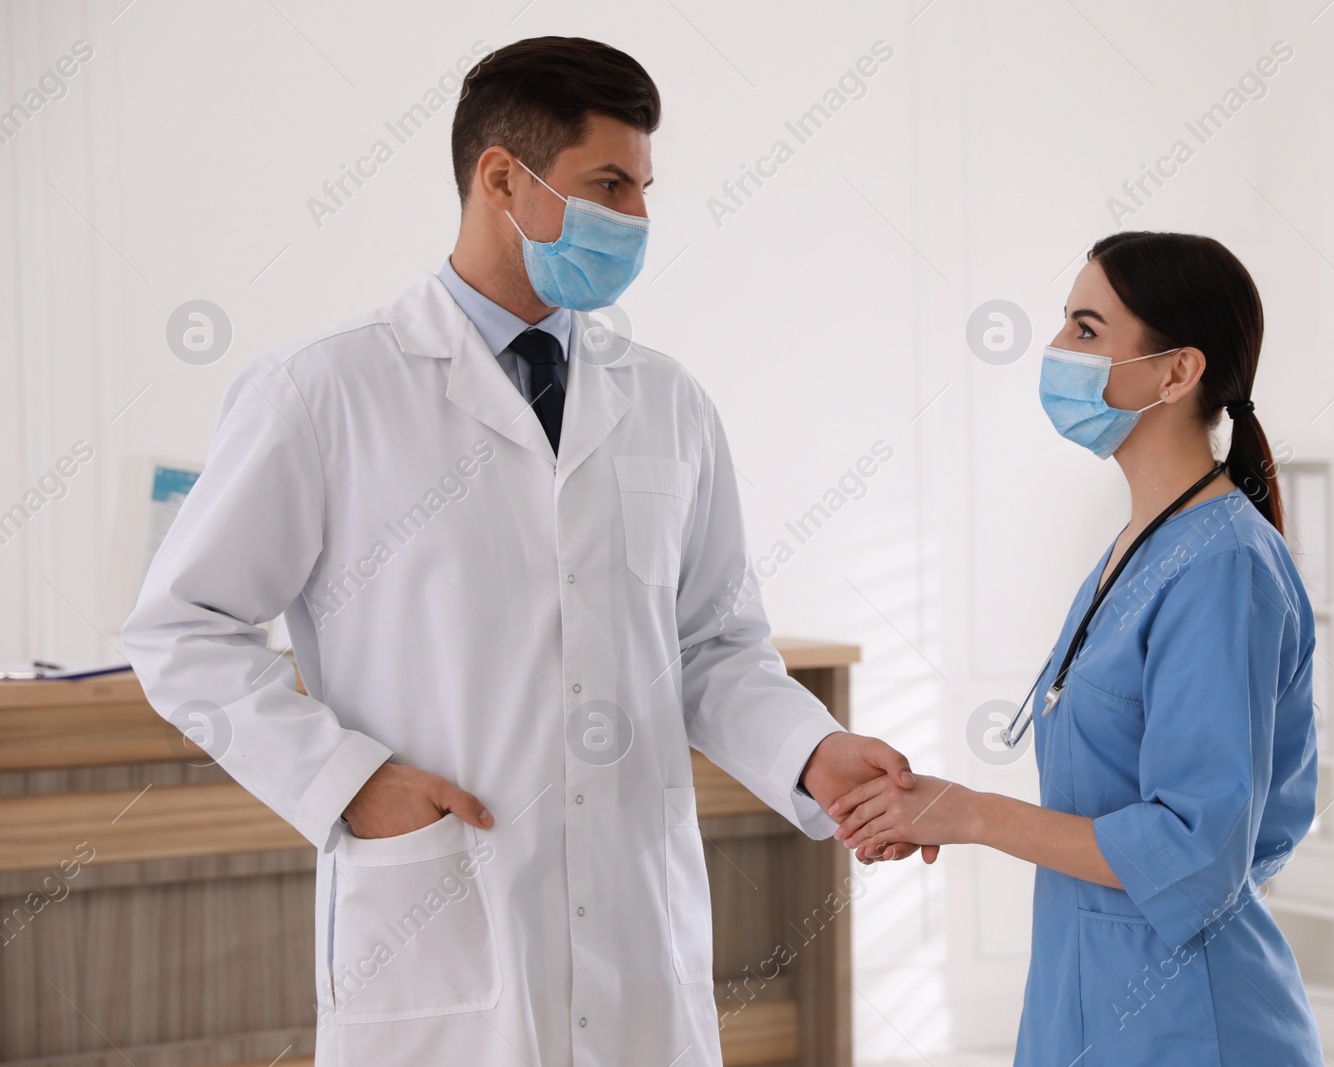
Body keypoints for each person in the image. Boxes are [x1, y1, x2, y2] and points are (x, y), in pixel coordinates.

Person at [122, 36, 923, 1067]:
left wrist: (811, 752)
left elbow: (716, 647)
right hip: (439, 921)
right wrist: (346, 780)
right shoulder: (326, 391)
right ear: (501, 176)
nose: (637, 218)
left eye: (642, 189)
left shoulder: (666, 401)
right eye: (609, 184)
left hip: (637, 938)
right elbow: (182, 626)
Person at [831, 232, 1323, 1064]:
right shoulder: (1139, 545)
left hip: (1192, 1027)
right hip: (1087, 1004)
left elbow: (1201, 852)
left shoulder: (1222, 565)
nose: (1057, 350)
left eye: (1087, 330)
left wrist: (969, 812)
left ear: (1178, 371)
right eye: (1064, 323)